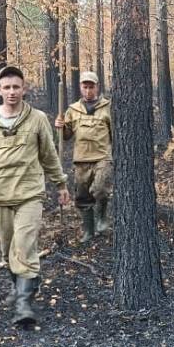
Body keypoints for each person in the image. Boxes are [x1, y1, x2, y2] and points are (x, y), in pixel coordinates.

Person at [0, 66, 70, 326]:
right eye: (6, 87)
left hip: (30, 194)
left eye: (16, 87)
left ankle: (24, 306)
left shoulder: (37, 119)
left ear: (24, 89)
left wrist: (60, 184)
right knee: (8, 251)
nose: (11, 92)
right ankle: (24, 285)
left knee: (25, 245)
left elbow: (49, 155)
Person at [55, 71, 113, 244]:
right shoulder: (72, 110)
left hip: (102, 157)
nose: (88, 91)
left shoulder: (107, 107)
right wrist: (60, 126)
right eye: (85, 87)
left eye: (91, 87)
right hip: (81, 159)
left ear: (97, 87)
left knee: (100, 189)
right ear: (80, 87)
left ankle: (102, 218)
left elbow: (115, 133)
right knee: (82, 197)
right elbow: (66, 136)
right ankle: (88, 230)